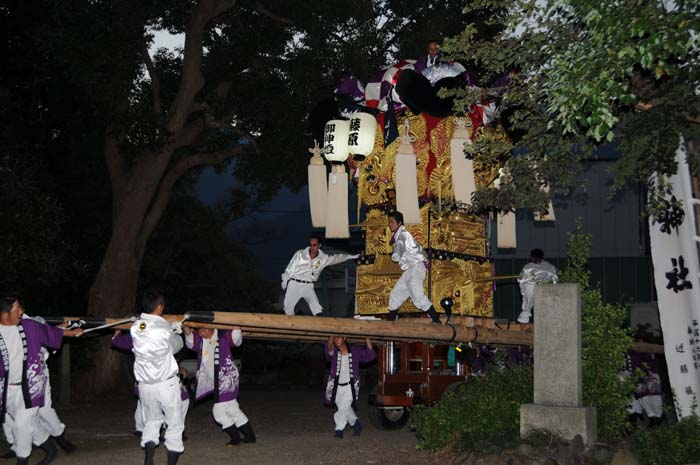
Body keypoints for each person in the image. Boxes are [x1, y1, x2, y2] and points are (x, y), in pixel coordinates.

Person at [0, 295, 82, 465]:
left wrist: (72, 332)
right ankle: (51, 449)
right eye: (17, 308)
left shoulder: (29, 326)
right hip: (6, 388)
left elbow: (50, 332)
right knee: (24, 422)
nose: (21, 311)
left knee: (22, 424)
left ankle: (23, 459)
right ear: (4, 313)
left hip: (31, 384)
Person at [130, 289, 185, 465]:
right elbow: (176, 346)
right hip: (165, 384)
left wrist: (169, 328)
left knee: (151, 421)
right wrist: (176, 331)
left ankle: (148, 460)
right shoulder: (163, 328)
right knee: (174, 423)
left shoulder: (135, 327)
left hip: (145, 385)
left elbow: (145, 328)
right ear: (160, 307)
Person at [183, 325, 256, 447]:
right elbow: (191, 343)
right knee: (233, 409)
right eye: (199, 331)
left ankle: (235, 438)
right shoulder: (201, 341)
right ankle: (250, 436)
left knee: (218, 412)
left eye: (203, 330)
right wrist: (187, 330)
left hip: (226, 379)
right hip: (214, 381)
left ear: (211, 328)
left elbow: (236, 340)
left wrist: (236, 328)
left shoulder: (222, 337)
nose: (201, 334)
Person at [111, 330, 190, 439]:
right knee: (146, 404)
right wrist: (118, 329)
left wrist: (179, 368)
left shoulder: (170, 336)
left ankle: (173, 429)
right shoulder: (140, 336)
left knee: (182, 399)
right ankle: (144, 429)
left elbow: (176, 351)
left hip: (165, 378)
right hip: (147, 379)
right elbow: (117, 341)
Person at [281, 235, 359, 316]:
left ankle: (319, 317)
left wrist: (351, 257)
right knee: (287, 307)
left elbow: (337, 258)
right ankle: (289, 320)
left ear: (319, 246)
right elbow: (291, 266)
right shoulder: (300, 254)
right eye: (311, 245)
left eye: (314, 245)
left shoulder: (323, 258)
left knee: (315, 305)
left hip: (307, 285)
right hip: (294, 283)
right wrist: (285, 278)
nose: (312, 247)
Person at [386, 211, 442, 324]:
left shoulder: (403, 234)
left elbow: (399, 247)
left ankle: (436, 320)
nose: (390, 224)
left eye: (392, 222)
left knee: (417, 295)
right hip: (410, 269)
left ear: (399, 223)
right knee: (396, 293)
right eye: (389, 222)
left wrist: (396, 255)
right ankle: (390, 323)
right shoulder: (400, 235)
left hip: (417, 267)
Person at [324, 335, 375, 438]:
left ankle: (339, 430)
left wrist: (367, 337)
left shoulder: (355, 351)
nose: (336, 340)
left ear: (345, 338)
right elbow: (328, 348)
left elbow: (369, 354)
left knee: (342, 408)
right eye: (335, 338)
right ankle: (356, 425)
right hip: (336, 386)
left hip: (350, 386)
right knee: (345, 408)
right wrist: (331, 334)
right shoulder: (334, 352)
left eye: (339, 337)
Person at [516, 249, 558, 324]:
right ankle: (526, 316)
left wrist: (523, 291)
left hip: (536, 289)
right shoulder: (550, 267)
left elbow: (521, 281)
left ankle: (525, 316)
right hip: (543, 290)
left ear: (531, 257)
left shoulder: (528, 267)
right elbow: (555, 280)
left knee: (529, 302)